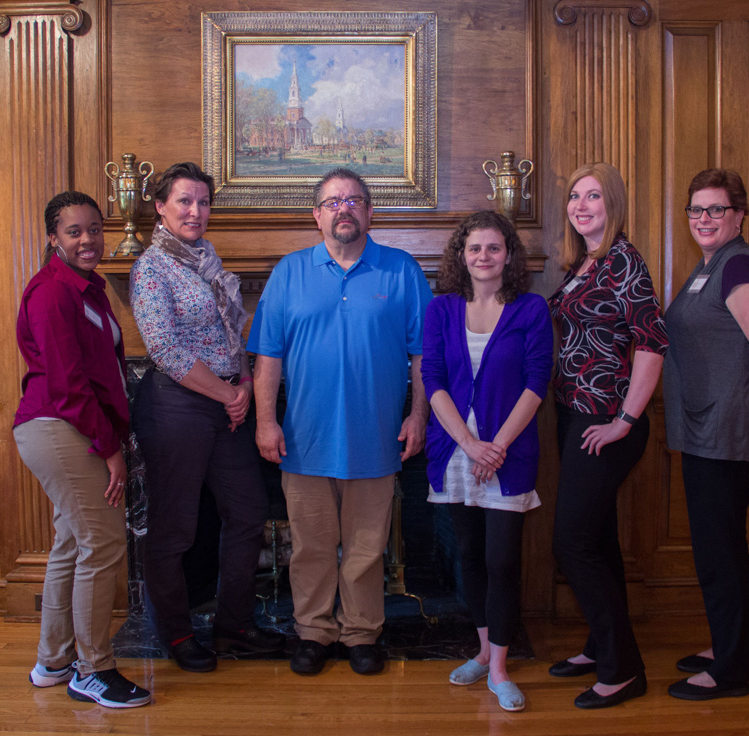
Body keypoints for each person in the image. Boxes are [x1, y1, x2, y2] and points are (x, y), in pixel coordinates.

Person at [247, 168, 433, 677]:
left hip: (377, 439)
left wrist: (418, 416)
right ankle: (312, 631)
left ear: (370, 212)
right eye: (332, 202)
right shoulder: (289, 273)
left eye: (354, 200)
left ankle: (361, 633)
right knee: (309, 548)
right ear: (317, 215)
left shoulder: (401, 271)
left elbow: (424, 357)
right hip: (304, 441)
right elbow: (267, 357)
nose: (343, 209)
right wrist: (266, 422)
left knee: (368, 548)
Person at [130, 162, 284, 673]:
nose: (196, 211)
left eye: (203, 202)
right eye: (184, 201)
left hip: (227, 403)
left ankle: (234, 625)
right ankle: (175, 633)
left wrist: (242, 385)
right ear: (161, 206)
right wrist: (228, 393)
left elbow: (229, 332)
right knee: (174, 527)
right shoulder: (151, 267)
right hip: (176, 407)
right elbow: (166, 349)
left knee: (247, 512)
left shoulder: (207, 259)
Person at [13, 191, 150, 708]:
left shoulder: (88, 288)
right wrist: (111, 447)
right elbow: (70, 383)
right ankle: (93, 670)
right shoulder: (50, 293)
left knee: (73, 543)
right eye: (75, 232)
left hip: (76, 426)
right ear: (53, 237)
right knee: (104, 542)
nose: (89, 239)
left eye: (95, 228)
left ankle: (53, 661)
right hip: (59, 425)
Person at [663, 168, 749, 701]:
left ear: (740, 215)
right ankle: (729, 644)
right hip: (705, 425)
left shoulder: (737, 264)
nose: (704, 218)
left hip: (725, 429)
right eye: (696, 209)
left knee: (720, 551)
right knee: (721, 546)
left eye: (717, 209)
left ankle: (732, 670)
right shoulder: (711, 265)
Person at [547, 163, 667, 709]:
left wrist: (625, 420)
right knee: (596, 539)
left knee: (572, 541)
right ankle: (600, 646)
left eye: (593, 195)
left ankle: (624, 670)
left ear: (612, 203)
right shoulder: (587, 262)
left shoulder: (624, 262)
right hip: (577, 416)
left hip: (608, 423)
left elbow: (651, 342)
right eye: (575, 196)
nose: (581, 204)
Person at [422, 211, 552, 712]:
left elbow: (536, 381)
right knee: (470, 557)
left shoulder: (531, 309)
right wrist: (471, 445)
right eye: (473, 248)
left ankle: (499, 669)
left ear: (508, 255)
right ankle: (481, 651)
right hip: (455, 451)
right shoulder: (442, 310)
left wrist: (494, 445)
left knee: (502, 560)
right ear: (461, 255)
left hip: (510, 451)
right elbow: (432, 380)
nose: (483, 257)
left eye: (493, 248)